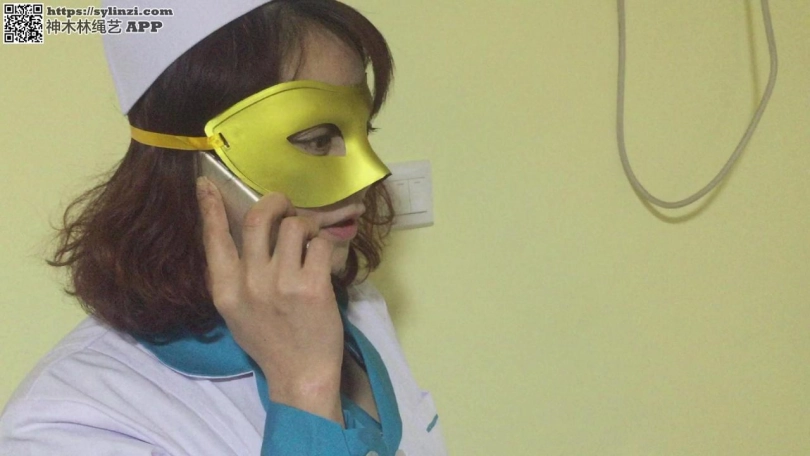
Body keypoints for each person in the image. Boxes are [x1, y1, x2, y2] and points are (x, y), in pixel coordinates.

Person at [0, 1, 446, 455]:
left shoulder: (356, 308)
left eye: (363, 131)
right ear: (193, 167)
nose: (368, 175)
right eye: (315, 141)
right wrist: (303, 388)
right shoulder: (69, 423)